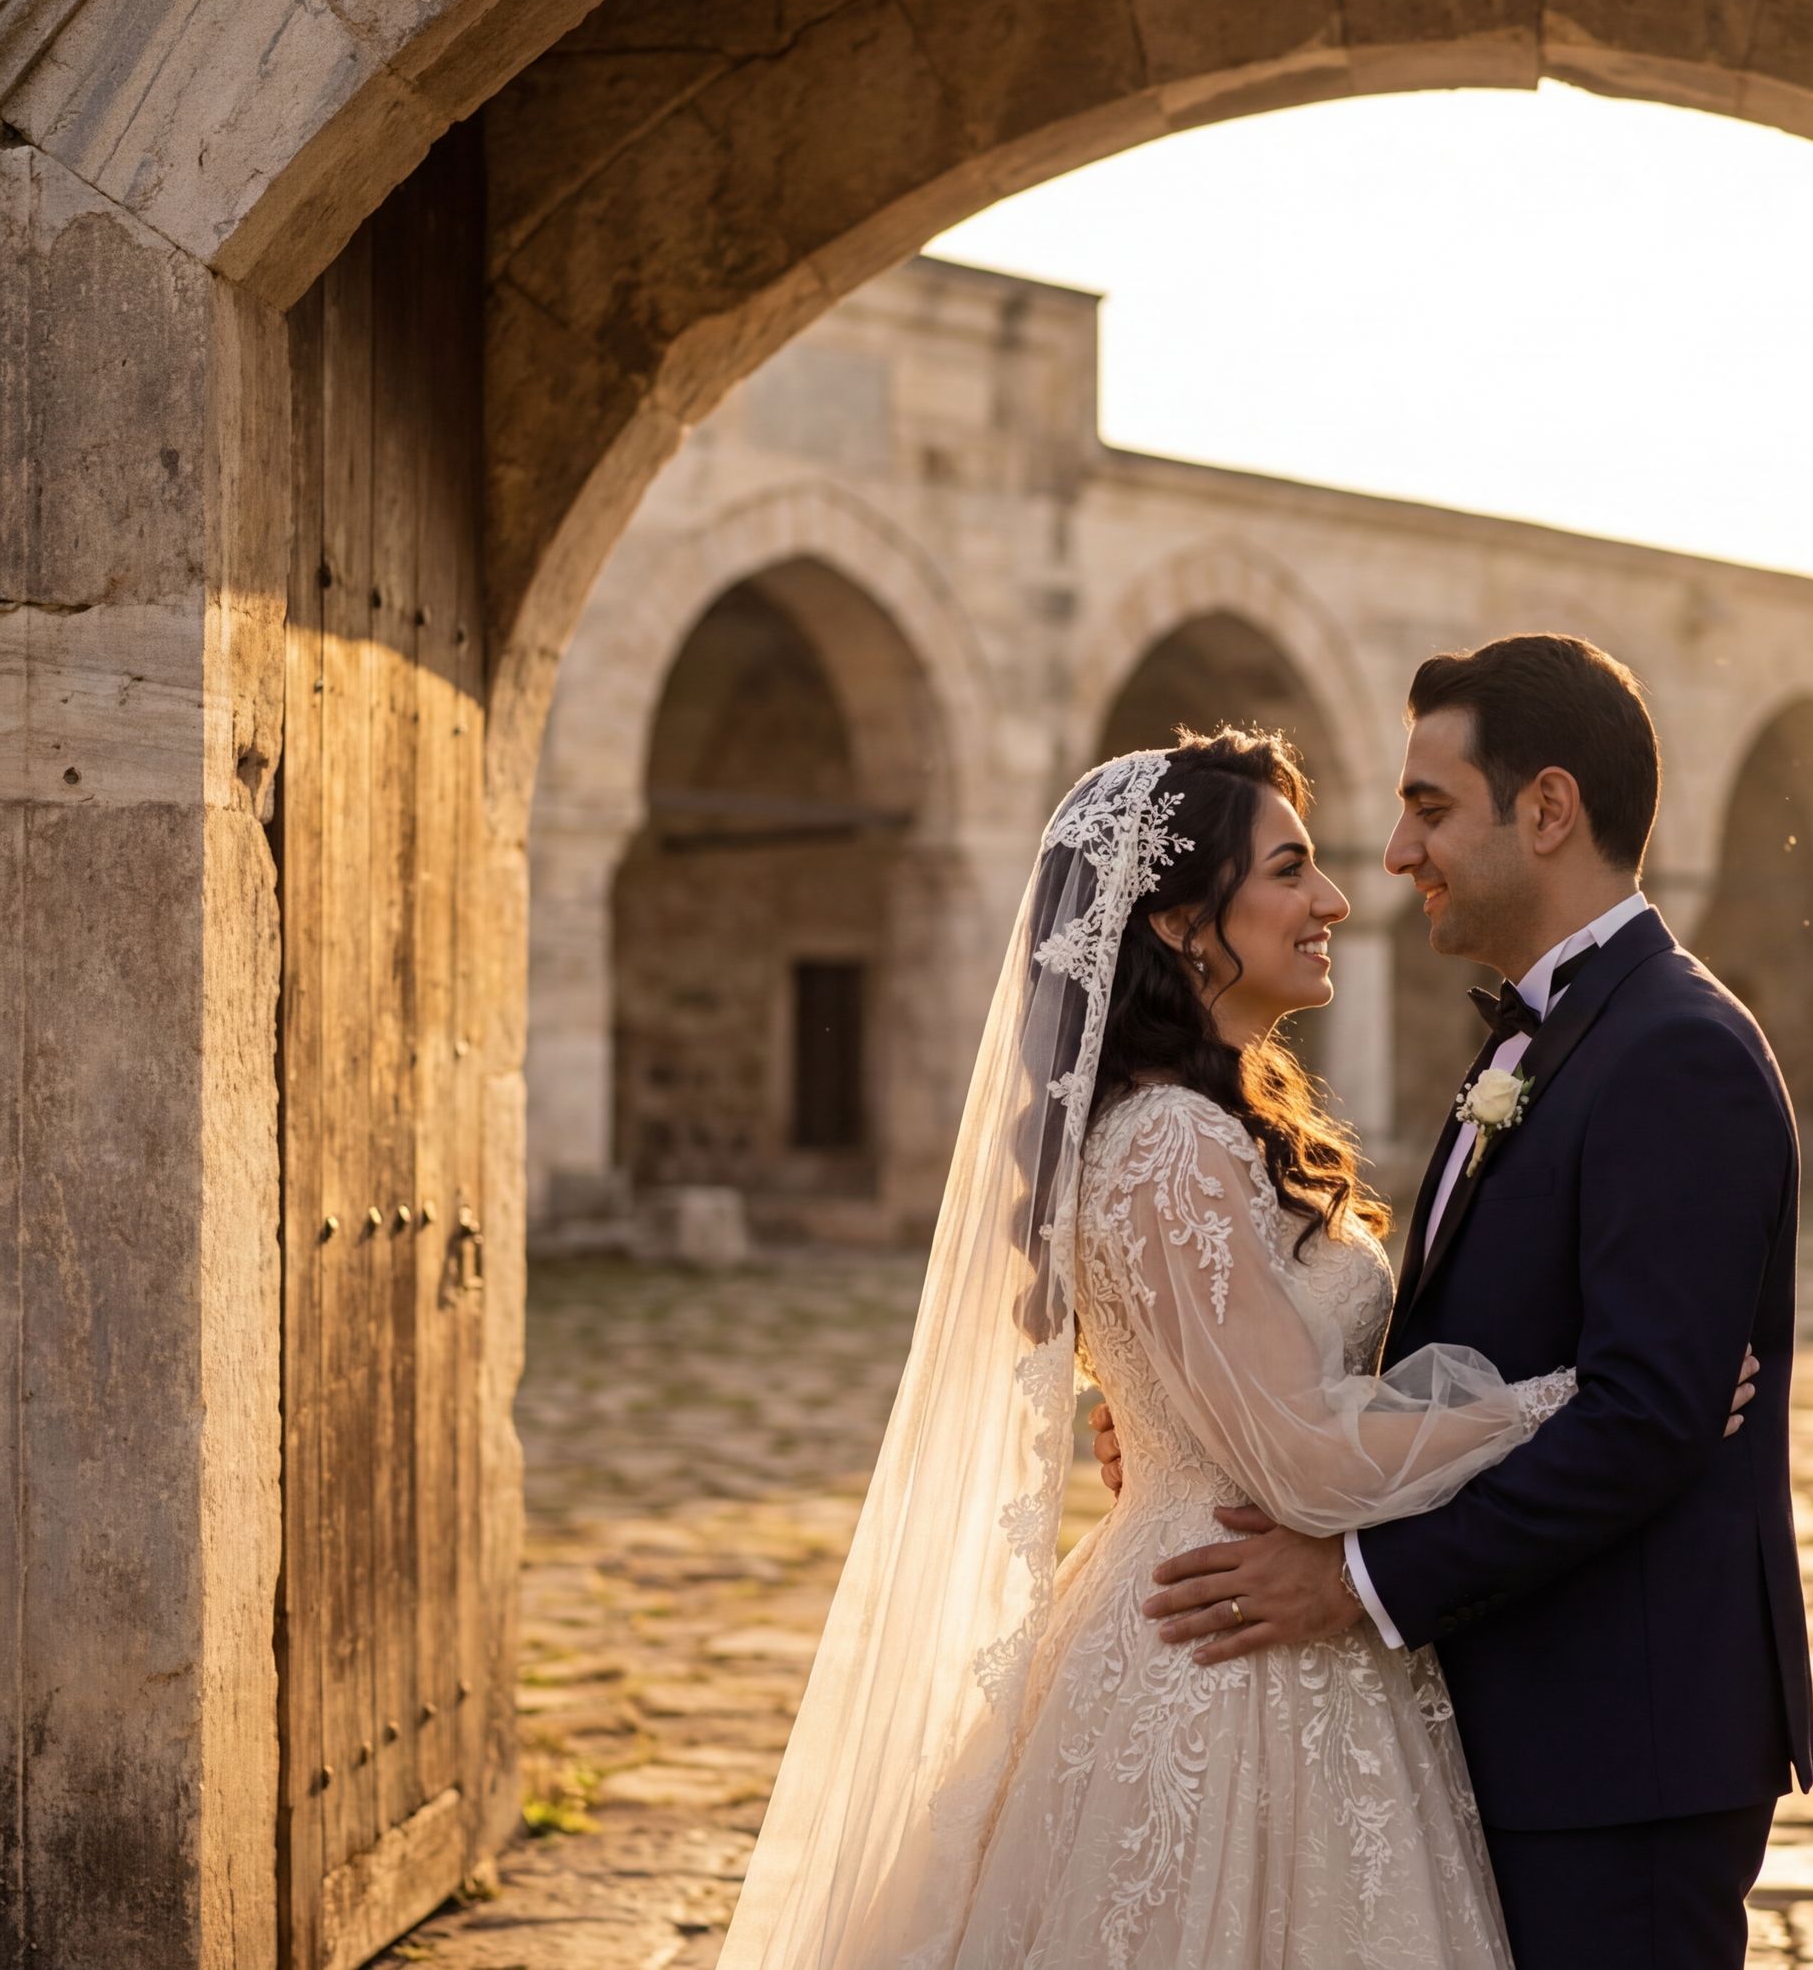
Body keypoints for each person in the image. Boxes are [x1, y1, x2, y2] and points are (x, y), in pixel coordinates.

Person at [718, 726, 1756, 1970]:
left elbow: (1249, 1384)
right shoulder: (1169, 1140)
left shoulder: (1202, 1123)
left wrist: (1182, 1419)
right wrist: (1574, 1399)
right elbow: (1312, 1465)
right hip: (1228, 1651)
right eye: (1288, 869)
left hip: (1245, 1606)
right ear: (1173, 921)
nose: (1335, 896)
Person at [1115, 637, 1813, 1968]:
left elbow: (1644, 1419)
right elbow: (1446, 1356)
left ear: (1546, 809)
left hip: (1621, 1746)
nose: (1389, 855)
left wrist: (1358, 1582)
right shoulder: (1543, 1040)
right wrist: (1191, 1414)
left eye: (1429, 806)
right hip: (1514, 1721)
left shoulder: (1674, 1051)